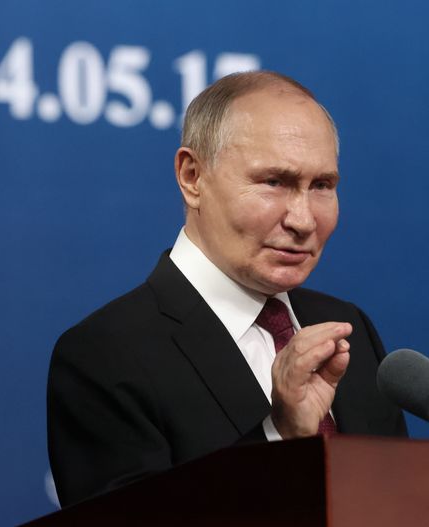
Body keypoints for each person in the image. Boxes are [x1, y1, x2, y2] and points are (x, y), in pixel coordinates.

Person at [47, 71, 407, 507]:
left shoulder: (350, 332)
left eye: (322, 186)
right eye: (275, 182)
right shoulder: (105, 353)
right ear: (192, 176)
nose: (303, 220)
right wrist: (280, 436)